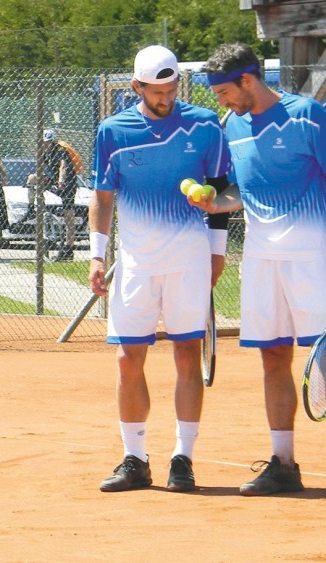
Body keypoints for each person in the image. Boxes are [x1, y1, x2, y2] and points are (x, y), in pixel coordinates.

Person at [199, 42, 326, 500]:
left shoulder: (307, 115)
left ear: (248, 81)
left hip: (312, 255)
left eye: (224, 91)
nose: (222, 100)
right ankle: (284, 464)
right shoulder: (230, 125)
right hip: (260, 259)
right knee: (272, 356)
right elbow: (243, 193)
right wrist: (217, 202)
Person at [88, 45, 232, 493]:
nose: (166, 97)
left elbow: (223, 189)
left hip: (189, 261)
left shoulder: (205, 125)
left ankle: (182, 460)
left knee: (187, 355)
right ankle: (135, 459)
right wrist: (97, 254)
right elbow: (103, 196)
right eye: (157, 91)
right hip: (135, 265)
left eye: (171, 89)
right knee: (128, 359)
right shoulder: (113, 131)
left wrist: (217, 251)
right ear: (137, 88)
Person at [40, 129, 79, 261]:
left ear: (53, 142)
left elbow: (63, 166)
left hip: (68, 184)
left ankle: (69, 247)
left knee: (68, 214)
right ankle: (32, 206)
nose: (46, 145)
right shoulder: (46, 154)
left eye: (48, 142)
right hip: (55, 181)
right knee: (32, 178)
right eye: (44, 143)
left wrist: (61, 181)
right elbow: (42, 168)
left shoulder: (60, 151)